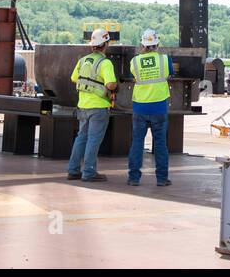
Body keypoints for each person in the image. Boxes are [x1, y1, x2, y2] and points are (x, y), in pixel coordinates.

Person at [67, 27, 118, 183]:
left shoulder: (83, 61)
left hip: (83, 105)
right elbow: (110, 84)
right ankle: (89, 172)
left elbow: (74, 78)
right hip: (99, 107)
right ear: (106, 43)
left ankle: (73, 170)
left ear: (92, 45)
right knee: (93, 140)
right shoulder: (105, 63)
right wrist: (116, 86)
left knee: (81, 138)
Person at [127, 29, 175, 187]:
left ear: (142, 44)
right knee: (160, 144)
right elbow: (170, 74)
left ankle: (134, 178)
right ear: (157, 44)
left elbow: (134, 76)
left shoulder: (134, 62)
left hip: (140, 107)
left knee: (137, 143)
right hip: (159, 107)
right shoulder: (164, 59)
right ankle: (162, 179)